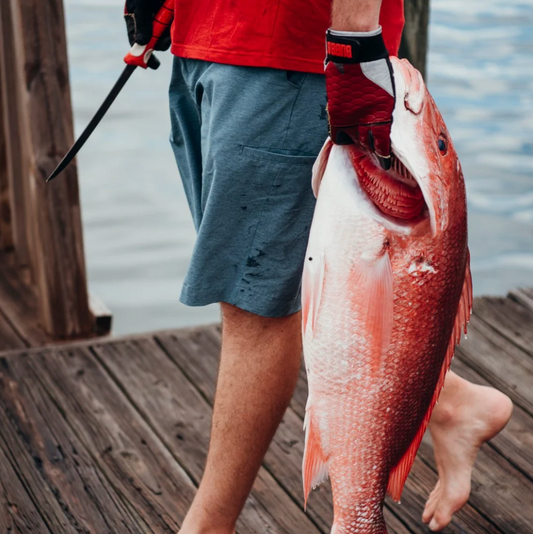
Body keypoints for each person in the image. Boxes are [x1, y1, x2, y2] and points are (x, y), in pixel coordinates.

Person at [124, 0, 513, 531]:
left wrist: (353, 53)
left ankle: (207, 526)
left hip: (294, 48)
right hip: (207, 33)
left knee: (256, 306)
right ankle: (449, 402)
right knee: (293, 277)